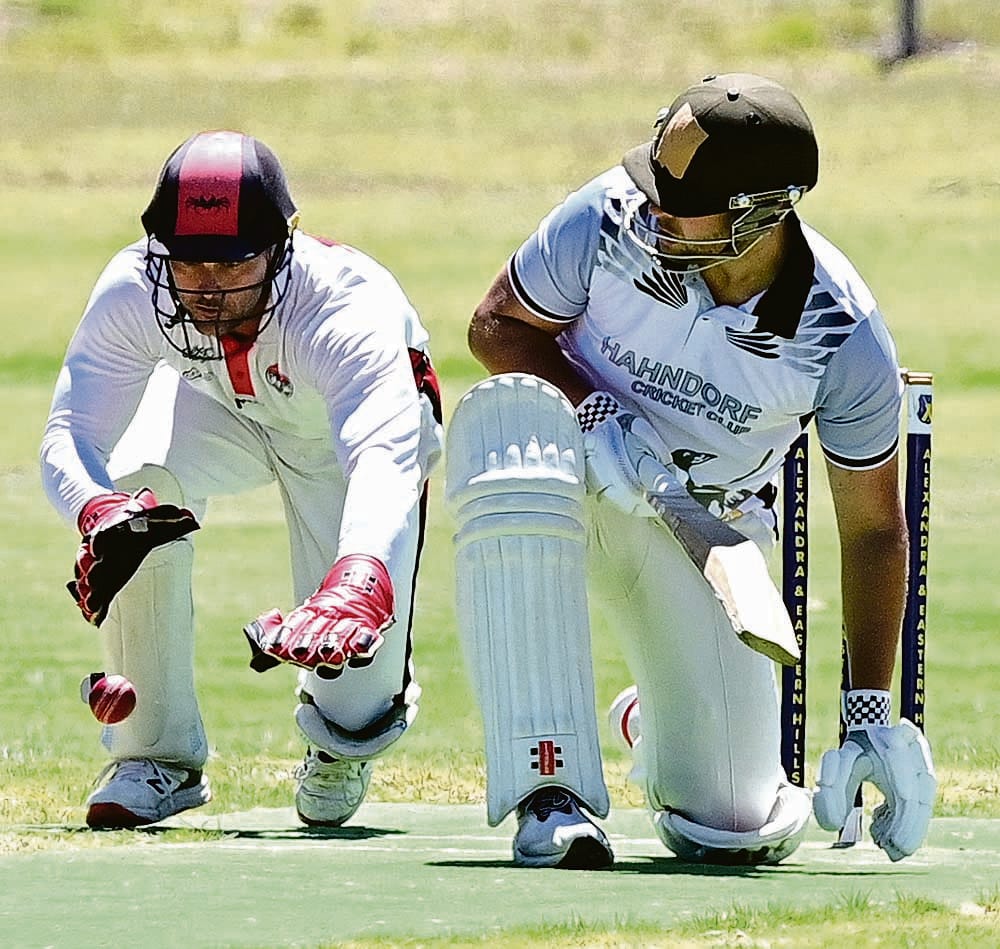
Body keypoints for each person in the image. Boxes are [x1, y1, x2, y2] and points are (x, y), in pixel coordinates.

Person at [446, 72, 935, 868]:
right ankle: (550, 792)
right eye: (656, 183)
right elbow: (495, 327)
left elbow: (876, 527)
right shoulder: (607, 216)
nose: (653, 207)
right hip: (574, 475)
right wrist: (597, 413)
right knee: (506, 425)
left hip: (709, 527)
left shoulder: (840, 335)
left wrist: (870, 710)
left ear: (758, 212)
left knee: (732, 829)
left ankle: (665, 717)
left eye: (681, 199)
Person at [40, 130, 443, 829]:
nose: (206, 286)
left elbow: (382, 455)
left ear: (281, 246)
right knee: (134, 492)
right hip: (220, 409)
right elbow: (69, 433)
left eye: (231, 263)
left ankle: (337, 744)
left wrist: (359, 578)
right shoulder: (136, 286)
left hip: (341, 445)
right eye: (187, 261)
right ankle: (155, 753)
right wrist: (94, 509)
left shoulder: (345, 308)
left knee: (356, 692)